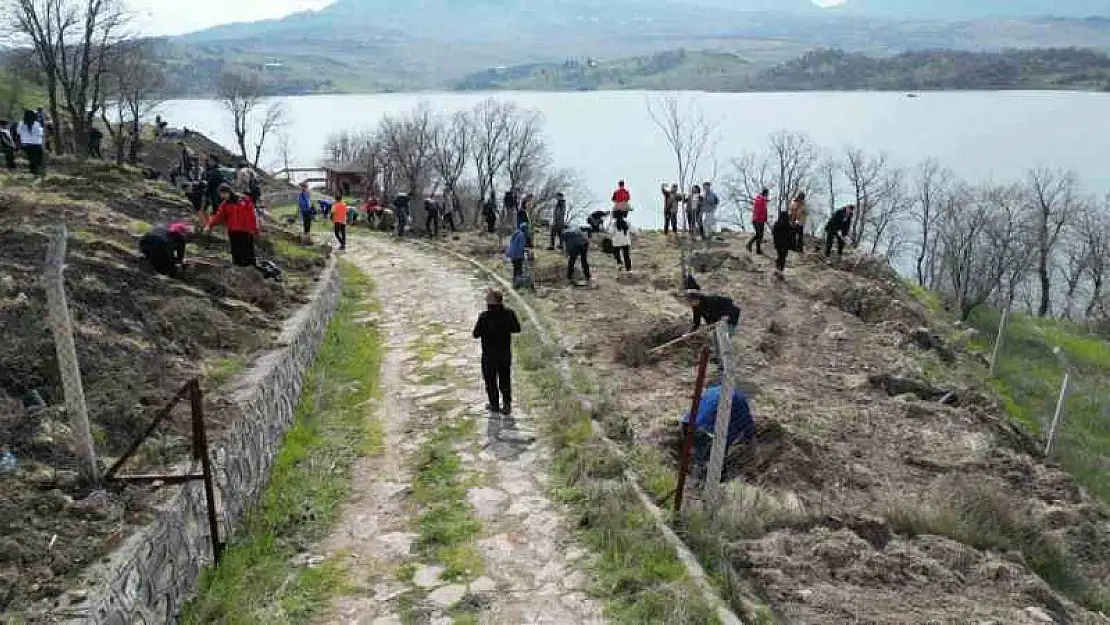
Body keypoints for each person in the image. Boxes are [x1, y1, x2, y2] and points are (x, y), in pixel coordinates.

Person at [472, 289, 522, 416]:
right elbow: (517, 329)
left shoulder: (484, 316)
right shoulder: (509, 313)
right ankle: (507, 404)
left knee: (490, 380)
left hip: (489, 355)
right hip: (505, 353)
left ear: (492, 301)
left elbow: (475, 334)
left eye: (487, 298)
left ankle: (494, 405)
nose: (485, 299)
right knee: (505, 378)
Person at [684, 385, 756, 465]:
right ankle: (705, 468)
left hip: (687, 423)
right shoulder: (741, 400)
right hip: (705, 432)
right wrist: (753, 448)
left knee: (699, 454)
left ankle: (695, 466)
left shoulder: (713, 390)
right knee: (733, 426)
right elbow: (748, 427)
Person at [206, 184, 259, 267]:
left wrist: (255, 228)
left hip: (246, 229)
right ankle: (240, 267)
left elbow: (252, 214)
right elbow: (219, 216)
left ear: (229, 191)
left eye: (224, 193)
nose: (223, 196)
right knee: (236, 251)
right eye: (221, 194)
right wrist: (210, 225)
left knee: (248, 250)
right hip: (234, 230)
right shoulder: (225, 204)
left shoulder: (244, 199)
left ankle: (251, 266)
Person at [17, 110, 45, 176]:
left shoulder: (21, 123)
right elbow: (41, 133)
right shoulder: (37, 123)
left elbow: (18, 132)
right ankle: (37, 170)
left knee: (32, 156)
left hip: (26, 144)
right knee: (37, 156)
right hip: (36, 144)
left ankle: (34, 170)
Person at [747, 188, 770, 255]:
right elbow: (761, 210)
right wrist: (765, 201)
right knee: (759, 235)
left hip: (760, 220)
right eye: (767, 194)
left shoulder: (761, 199)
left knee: (760, 235)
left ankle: (757, 249)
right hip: (757, 220)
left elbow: (763, 209)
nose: (768, 195)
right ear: (765, 193)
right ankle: (750, 245)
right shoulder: (760, 200)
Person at [772, 210, 793, 278]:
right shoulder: (788, 225)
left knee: (779, 256)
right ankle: (781, 271)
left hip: (778, 244)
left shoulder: (776, 224)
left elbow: (774, 234)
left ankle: (776, 269)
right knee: (783, 257)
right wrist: (791, 245)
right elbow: (790, 236)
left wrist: (775, 243)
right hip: (785, 245)